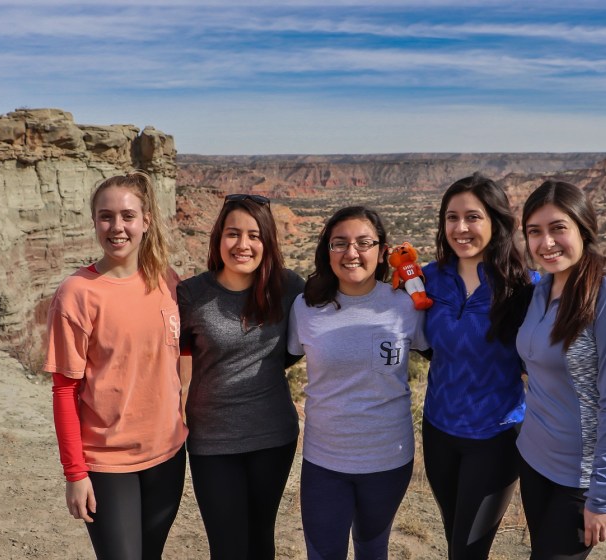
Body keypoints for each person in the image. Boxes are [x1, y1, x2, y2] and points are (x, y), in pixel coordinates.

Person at [44, 171, 188, 559]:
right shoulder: (77, 293)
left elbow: (184, 351)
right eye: (106, 216)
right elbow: (64, 391)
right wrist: (75, 473)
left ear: (146, 221)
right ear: (94, 221)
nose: (117, 227)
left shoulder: (167, 282)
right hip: (107, 462)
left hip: (168, 455)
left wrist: (183, 410)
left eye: (127, 216)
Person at [287, 206, 429, 560]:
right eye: (340, 243)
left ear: (382, 252)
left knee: (372, 550)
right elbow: (278, 359)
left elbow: (442, 357)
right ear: (328, 251)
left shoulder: (406, 305)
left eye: (364, 243)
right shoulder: (305, 307)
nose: (352, 252)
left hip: (388, 458)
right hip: (324, 460)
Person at [516, 180, 606, 560]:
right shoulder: (541, 289)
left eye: (558, 228)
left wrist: (600, 497)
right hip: (534, 459)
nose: (546, 243)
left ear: (584, 229)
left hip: (582, 477)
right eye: (534, 232)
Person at [177, 193, 304, 559]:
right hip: (213, 440)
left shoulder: (289, 288)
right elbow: (173, 360)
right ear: (218, 237)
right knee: (227, 546)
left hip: (273, 437)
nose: (242, 245)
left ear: (268, 241)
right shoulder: (192, 294)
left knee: (260, 539)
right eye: (233, 233)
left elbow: (301, 343)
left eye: (254, 235)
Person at [421, 172, 536, 559]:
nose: (460, 228)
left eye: (472, 217)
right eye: (451, 218)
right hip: (438, 430)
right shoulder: (429, 279)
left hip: (495, 437)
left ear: (496, 222)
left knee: (468, 551)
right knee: (453, 536)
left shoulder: (525, 288)